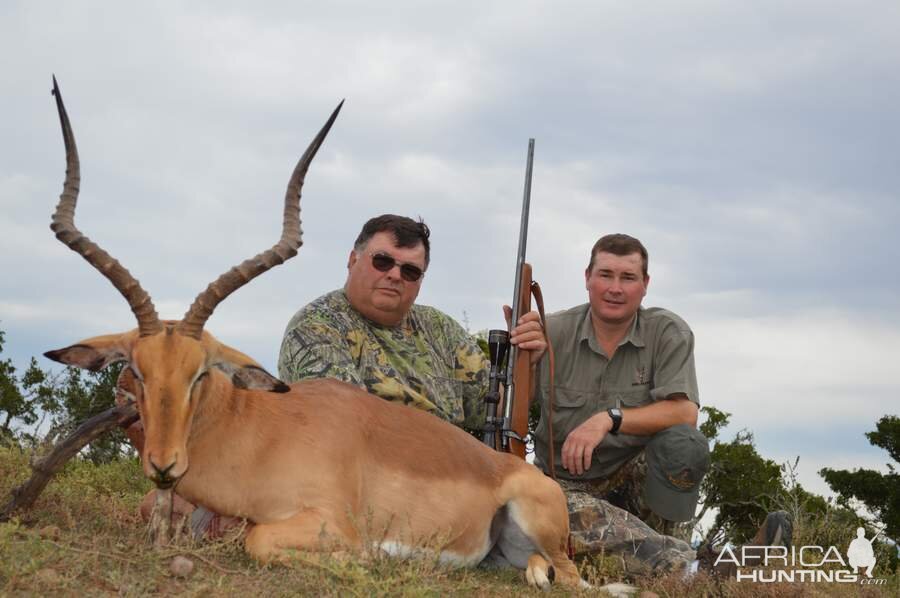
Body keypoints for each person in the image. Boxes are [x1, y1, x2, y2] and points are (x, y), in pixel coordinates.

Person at [531, 233, 710, 574]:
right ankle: (686, 568)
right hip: (561, 484)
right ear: (587, 278)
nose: (615, 288)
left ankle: (657, 548)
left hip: (631, 477)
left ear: (645, 285)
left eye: (628, 278)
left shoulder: (668, 332)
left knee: (684, 445)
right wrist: (524, 358)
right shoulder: (550, 331)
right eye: (605, 275)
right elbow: (509, 408)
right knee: (557, 508)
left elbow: (685, 414)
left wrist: (608, 419)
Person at [277, 213, 546, 427]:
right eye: (382, 262)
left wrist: (526, 367)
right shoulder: (317, 326)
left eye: (410, 271)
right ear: (352, 260)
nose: (395, 275)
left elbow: (495, 409)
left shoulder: (441, 329)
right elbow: (346, 423)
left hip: (450, 473)